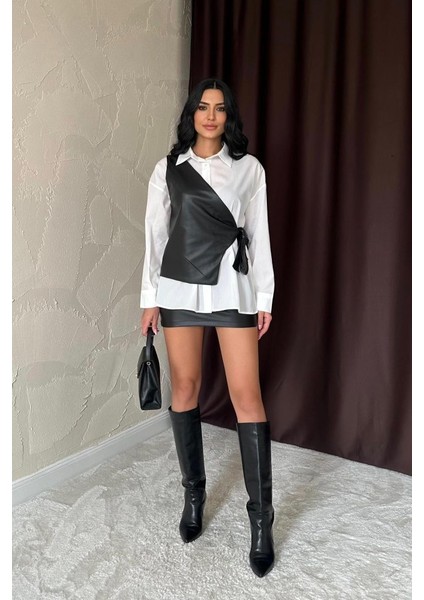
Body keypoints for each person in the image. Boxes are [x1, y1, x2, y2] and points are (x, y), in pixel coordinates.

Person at [140, 78, 275, 578]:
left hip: (232, 292)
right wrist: (149, 300)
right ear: (191, 114)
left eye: (219, 108)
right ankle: (193, 496)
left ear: (228, 116)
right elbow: (155, 238)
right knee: (186, 389)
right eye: (202, 107)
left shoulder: (249, 169)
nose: (211, 116)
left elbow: (258, 234)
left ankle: (261, 520)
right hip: (178, 291)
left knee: (247, 395)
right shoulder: (168, 169)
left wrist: (264, 296)